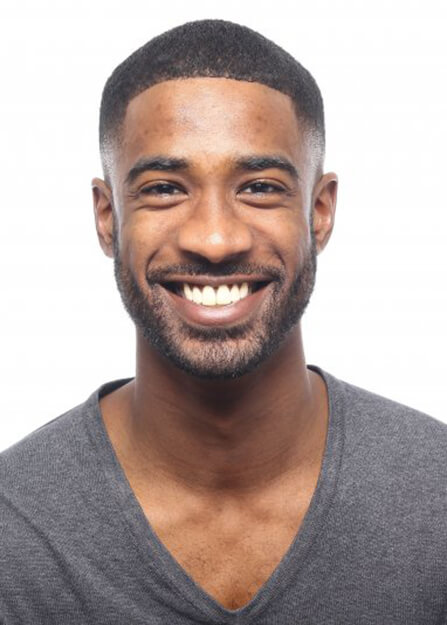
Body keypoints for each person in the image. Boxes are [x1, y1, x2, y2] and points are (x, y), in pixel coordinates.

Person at [1, 18, 446, 625]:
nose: (214, 239)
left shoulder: (435, 500)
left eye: (260, 187)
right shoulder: (16, 526)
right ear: (107, 219)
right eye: (164, 189)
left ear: (320, 213)